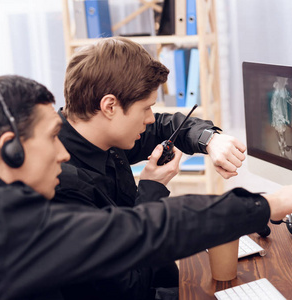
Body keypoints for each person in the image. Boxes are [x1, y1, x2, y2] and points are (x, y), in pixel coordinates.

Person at [0, 75, 292, 300]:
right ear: (10, 149)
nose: (61, 153)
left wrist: (210, 140)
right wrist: (268, 204)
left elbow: (162, 126)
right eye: (51, 137)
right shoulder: (9, 225)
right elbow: (145, 230)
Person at [54, 36, 249, 298]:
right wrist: (151, 189)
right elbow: (126, 288)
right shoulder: (59, 182)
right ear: (110, 106)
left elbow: (163, 126)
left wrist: (210, 140)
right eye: (146, 108)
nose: (149, 118)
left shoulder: (103, 132)